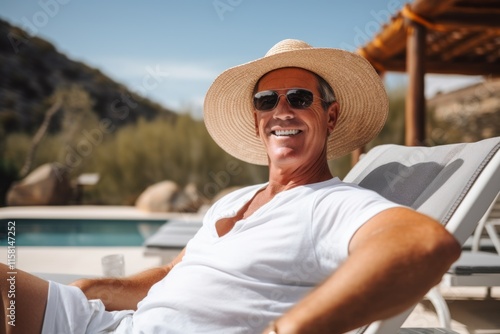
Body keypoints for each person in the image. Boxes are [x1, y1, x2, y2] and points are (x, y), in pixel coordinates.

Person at [1, 39, 460, 334]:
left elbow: (424, 244)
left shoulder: (334, 204)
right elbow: (170, 274)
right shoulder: (234, 199)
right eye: (267, 100)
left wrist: (292, 329)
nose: (282, 111)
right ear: (257, 118)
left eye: (300, 98)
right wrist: (100, 287)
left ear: (331, 114)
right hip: (111, 322)